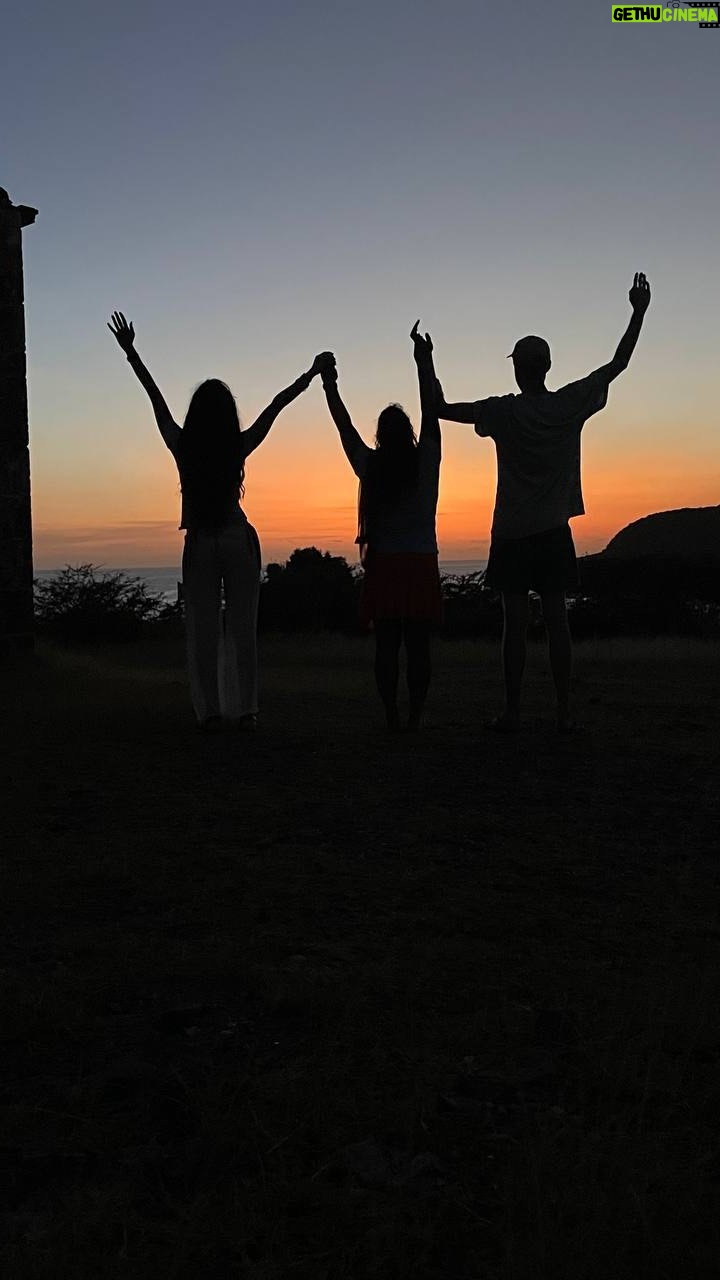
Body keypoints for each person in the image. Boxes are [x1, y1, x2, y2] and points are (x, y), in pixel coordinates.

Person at [434, 272, 651, 732]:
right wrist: (638, 312)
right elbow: (618, 363)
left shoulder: (503, 411)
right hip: (553, 529)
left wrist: (426, 366)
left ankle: (513, 711)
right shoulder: (568, 404)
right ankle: (563, 712)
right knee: (557, 621)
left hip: (511, 531)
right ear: (548, 366)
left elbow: (444, 409)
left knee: (514, 625)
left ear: (518, 368)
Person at [107, 310, 333, 731]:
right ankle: (245, 711)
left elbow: (154, 396)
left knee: (202, 631)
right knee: (243, 628)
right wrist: (310, 374)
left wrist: (131, 352)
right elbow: (275, 406)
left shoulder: (182, 444)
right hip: (235, 537)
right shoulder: (237, 445)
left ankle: (210, 712)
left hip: (200, 542)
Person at [319, 322, 442, 731]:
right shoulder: (426, 462)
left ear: (380, 436)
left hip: (385, 565)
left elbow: (344, 427)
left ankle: (391, 716)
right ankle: (414, 717)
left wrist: (329, 384)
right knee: (419, 648)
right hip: (420, 563)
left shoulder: (370, 467)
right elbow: (431, 411)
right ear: (408, 434)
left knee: (386, 647)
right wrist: (423, 361)